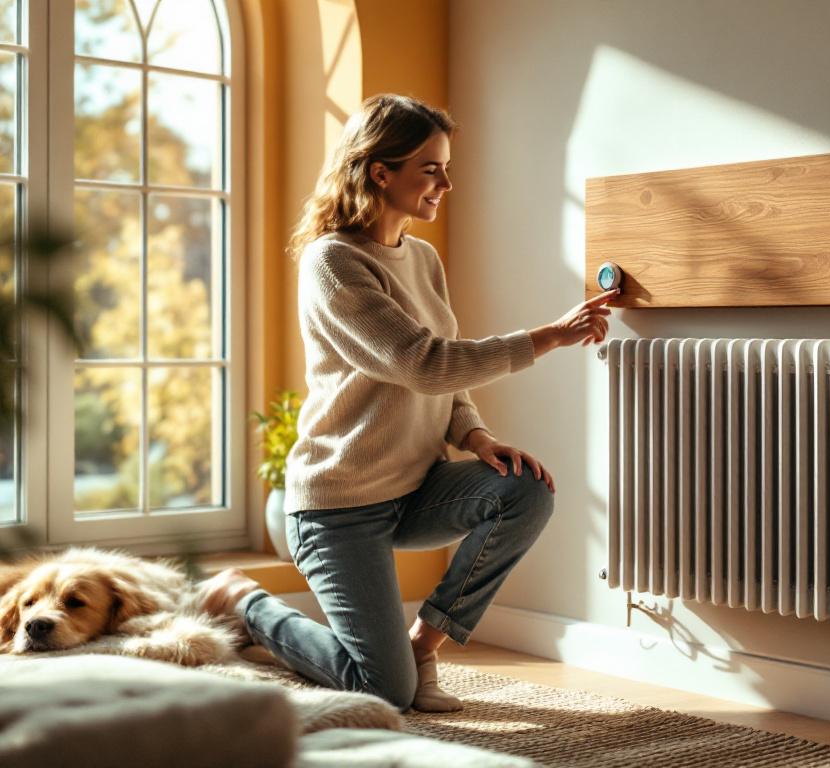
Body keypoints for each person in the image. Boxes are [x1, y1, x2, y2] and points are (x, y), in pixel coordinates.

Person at [198, 94, 617, 712]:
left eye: (446, 168)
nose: (446, 184)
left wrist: (475, 436)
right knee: (383, 691)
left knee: (525, 491)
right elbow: (422, 363)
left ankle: (424, 645)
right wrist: (547, 337)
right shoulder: (332, 261)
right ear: (380, 172)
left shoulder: (422, 257)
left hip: (416, 489)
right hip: (338, 504)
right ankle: (247, 604)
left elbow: (445, 372)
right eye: (431, 169)